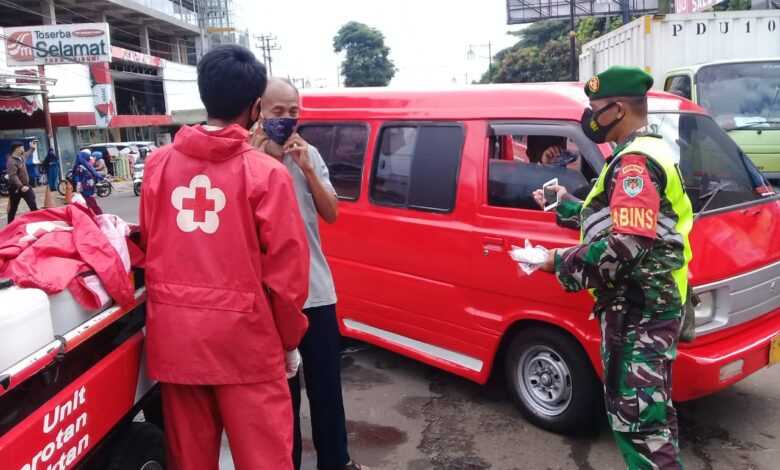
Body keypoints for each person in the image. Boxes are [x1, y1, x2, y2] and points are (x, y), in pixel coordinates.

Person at [139, 45, 310, 470]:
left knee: (190, 460)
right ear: (256, 108)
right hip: (247, 345)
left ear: (204, 96)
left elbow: (148, 248)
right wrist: (289, 342)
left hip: (178, 342)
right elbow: (287, 276)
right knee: (265, 460)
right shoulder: (267, 174)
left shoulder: (158, 165)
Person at [533, 66, 693, 470]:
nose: (590, 117)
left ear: (617, 110)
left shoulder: (635, 163)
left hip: (639, 311)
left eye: (594, 108)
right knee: (653, 422)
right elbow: (622, 221)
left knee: (638, 427)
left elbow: (627, 244)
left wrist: (556, 262)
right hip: (651, 307)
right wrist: (565, 204)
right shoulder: (643, 152)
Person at [250, 77, 367, 470]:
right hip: (271, 299)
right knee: (283, 397)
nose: (286, 119)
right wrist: (267, 158)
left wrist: (307, 170)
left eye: (293, 112)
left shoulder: (310, 154)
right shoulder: (248, 158)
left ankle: (336, 462)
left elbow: (331, 213)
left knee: (326, 390)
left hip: (315, 293)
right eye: (277, 112)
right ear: (259, 111)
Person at [5, 140, 39, 223]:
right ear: (16, 149)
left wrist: (32, 148)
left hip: (26, 186)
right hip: (16, 188)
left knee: (33, 205)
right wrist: (21, 186)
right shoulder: (11, 161)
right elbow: (13, 176)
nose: (23, 149)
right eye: (22, 148)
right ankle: (9, 225)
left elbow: (28, 154)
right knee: (13, 208)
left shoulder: (21, 157)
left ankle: (37, 222)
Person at [72, 150, 105, 215]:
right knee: (92, 204)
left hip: (89, 188)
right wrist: (78, 188)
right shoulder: (80, 167)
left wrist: (102, 178)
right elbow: (77, 178)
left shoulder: (86, 165)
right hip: (85, 189)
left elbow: (94, 173)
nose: (89, 157)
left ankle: (96, 216)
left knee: (90, 204)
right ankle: (100, 216)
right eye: (88, 156)